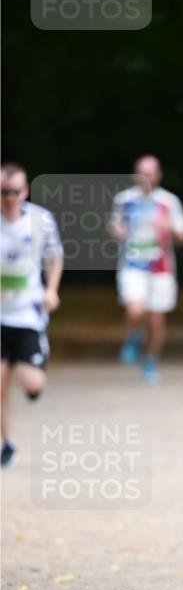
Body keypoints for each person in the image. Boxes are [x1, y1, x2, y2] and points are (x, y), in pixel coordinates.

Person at [1, 162, 64, 467]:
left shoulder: (41, 220)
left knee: (31, 384)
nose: (10, 198)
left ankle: (31, 373)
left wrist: (51, 290)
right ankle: (7, 443)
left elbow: (55, 257)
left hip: (27, 313)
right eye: (3, 192)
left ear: (24, 190)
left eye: (15, 191)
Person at [109, 155, 183, 383]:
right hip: (132, 265)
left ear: (159, 174)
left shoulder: (169, 201)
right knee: (135, 310)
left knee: (156, 320)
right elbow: (115, 225)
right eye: (142, 172)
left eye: (151, 172)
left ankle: (150, 361)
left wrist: (171, 229)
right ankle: (134, 335)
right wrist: (117, 230)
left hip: (161, 267)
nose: (146, 177)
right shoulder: (123, 200)